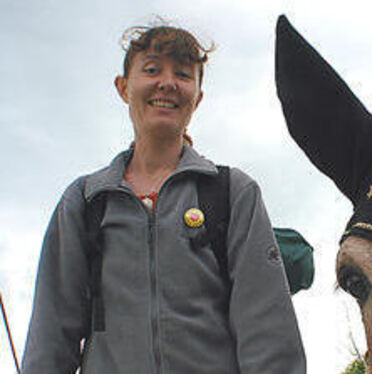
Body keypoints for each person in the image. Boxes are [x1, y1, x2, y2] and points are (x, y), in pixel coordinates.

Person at [21, 24, 306, 373]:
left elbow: (268, 334)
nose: (167, 83)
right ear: (123, 87)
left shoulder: (234, 194)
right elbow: (51, 337)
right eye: (152, 69)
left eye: (183, 74)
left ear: (198, 97)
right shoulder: (85, 202)